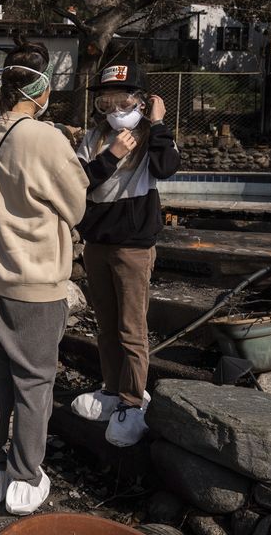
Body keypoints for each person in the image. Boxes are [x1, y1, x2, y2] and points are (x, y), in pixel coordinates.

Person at [0, 41, 89, 515]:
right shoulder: (46, 140)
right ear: (42, 89)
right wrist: (61, 141)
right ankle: (24, 479)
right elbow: (77, 204)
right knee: (35, 383)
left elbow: (17, 149)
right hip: (34, 284)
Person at [70, 61, 180, 447]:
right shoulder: (93, 138)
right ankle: (111, 389)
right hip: (97, 244)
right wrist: (112, 154)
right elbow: (79, 183)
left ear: (142, 100)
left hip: (134, 247)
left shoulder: (153, 136)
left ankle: (133, 402)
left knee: (132, 329)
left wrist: (160, 121)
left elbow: (168, 168)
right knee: (105, 326)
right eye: (106, 102)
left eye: (124, 101)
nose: (115, 110)